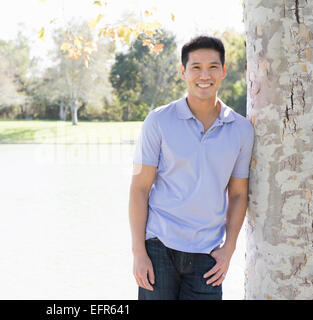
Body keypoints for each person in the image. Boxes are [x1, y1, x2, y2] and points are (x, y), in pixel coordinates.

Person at [129, 35, 254, 300]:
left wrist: (228, 249)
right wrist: (139, 253)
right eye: (196, 67)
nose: (204, 75)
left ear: (223, 71)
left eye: (212, 66)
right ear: (183, 72)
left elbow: (239, 194)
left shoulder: (241, 129)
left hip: (207, 255)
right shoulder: (158, 121)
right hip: (159, 248)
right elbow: (139, 187)